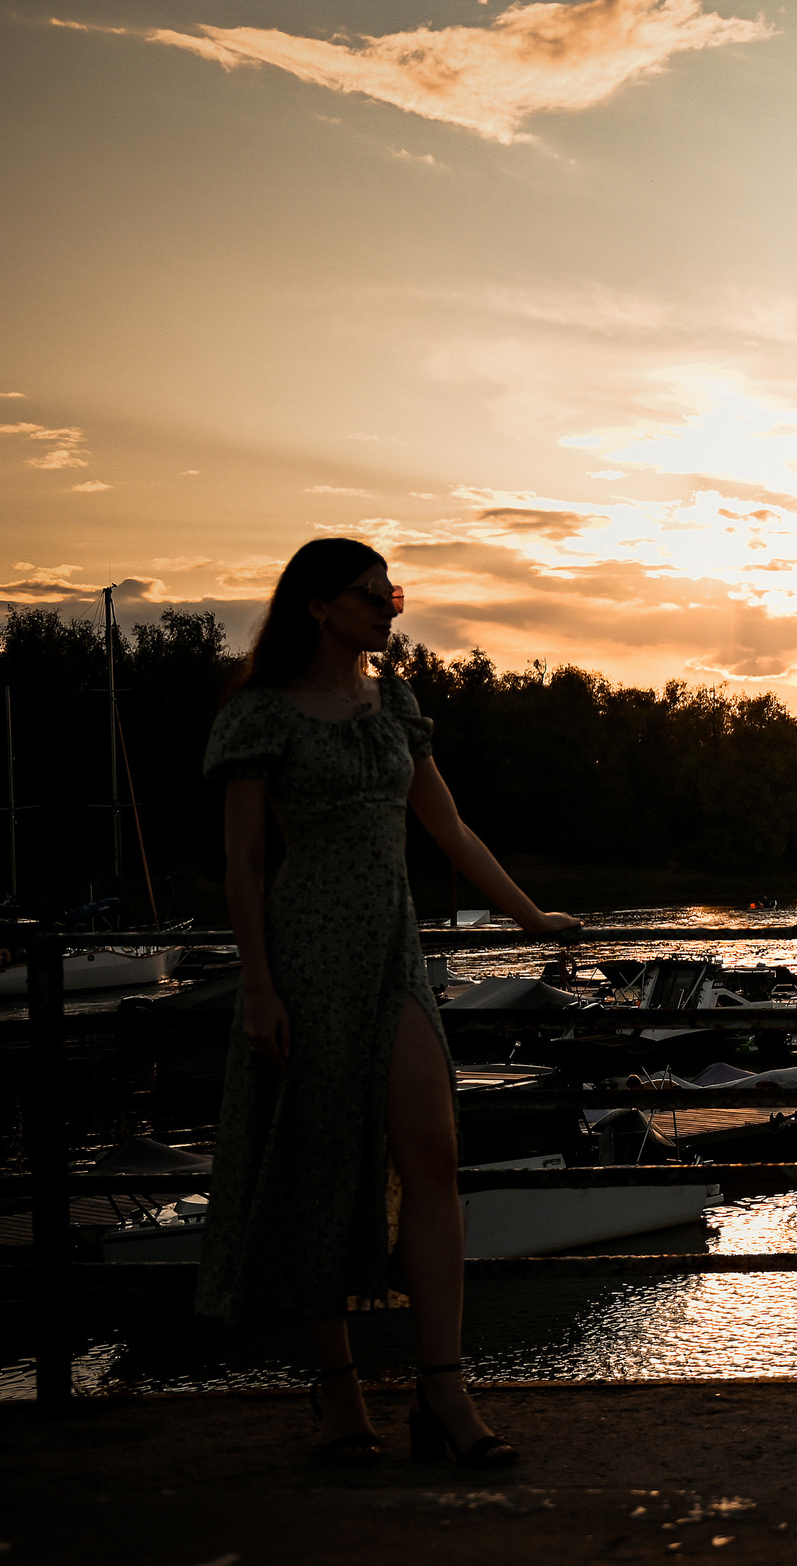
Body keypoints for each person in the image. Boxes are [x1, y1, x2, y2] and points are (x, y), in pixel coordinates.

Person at [204, 537, 579, 1468]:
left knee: (437, 1156)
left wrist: (531, 915)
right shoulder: (262, 714)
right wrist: (258, 984)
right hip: (305, 955)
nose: (390, 608)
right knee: (321, 1164)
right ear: (317, 607)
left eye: (393, 592)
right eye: (371, 596)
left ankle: (443, 1392)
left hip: (395, 951)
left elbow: (445, 824)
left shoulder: (393, 703)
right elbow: (245, 863)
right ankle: (339, 1401)